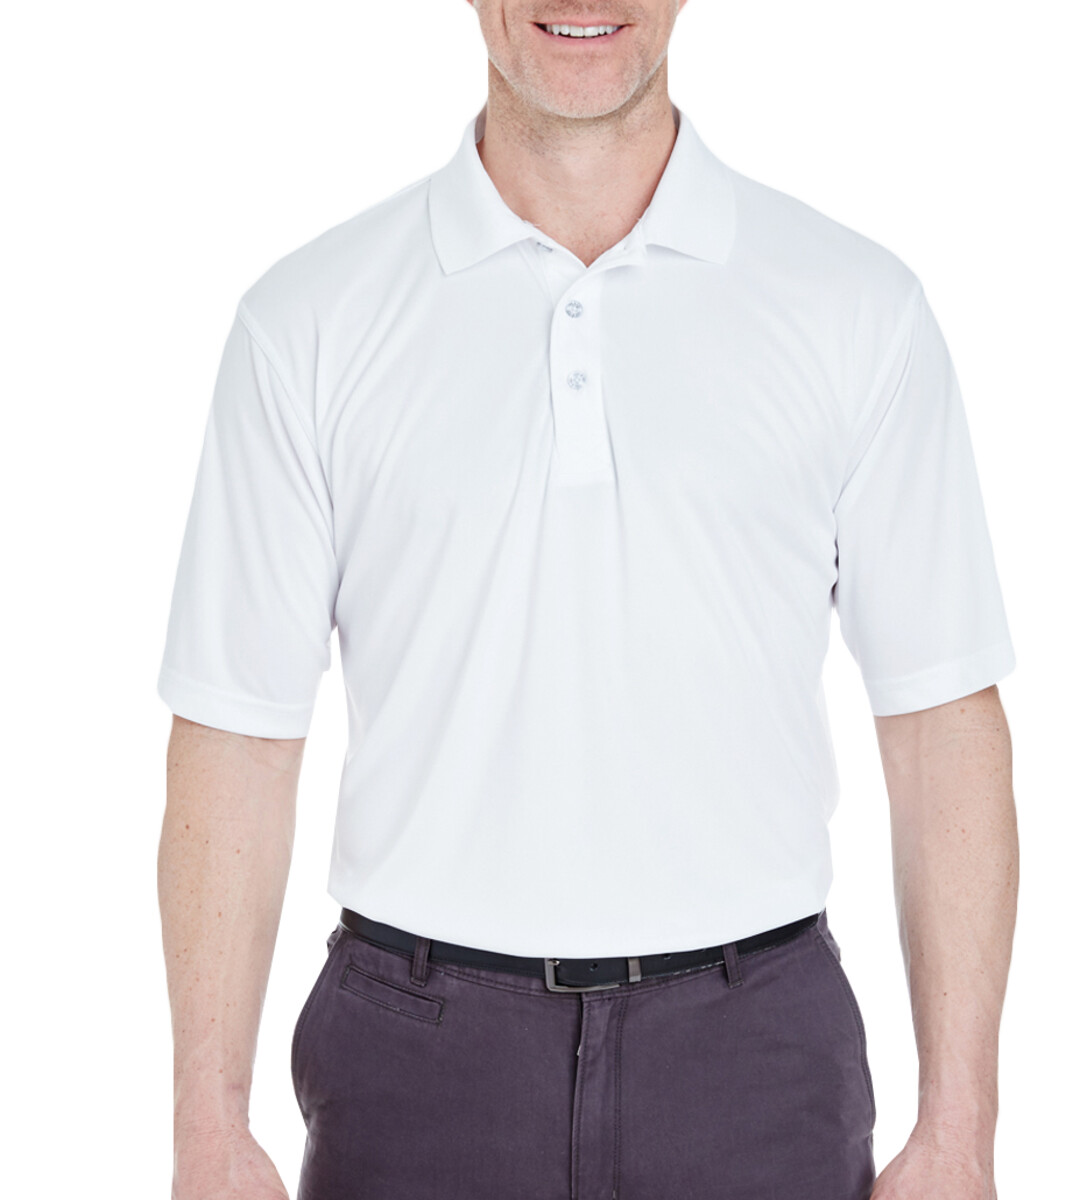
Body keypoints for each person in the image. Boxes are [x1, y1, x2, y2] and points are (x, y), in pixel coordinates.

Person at [157, 2, 1019, 1198]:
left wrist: (961, 1132)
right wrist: (208, 1130)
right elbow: (239, 736)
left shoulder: (855, 308)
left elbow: (939, 724)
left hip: (755, 1062)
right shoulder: (306, 323)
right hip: (419, 1063)